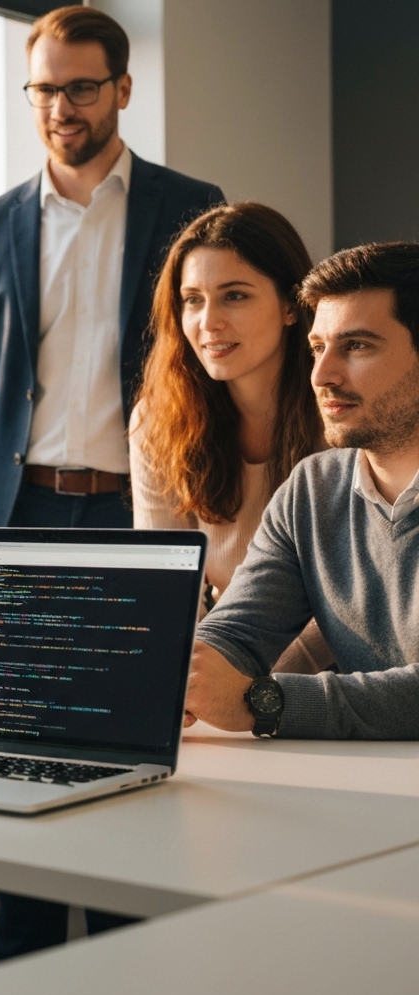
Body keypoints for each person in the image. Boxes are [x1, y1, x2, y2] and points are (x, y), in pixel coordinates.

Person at [0, 4, 223, 960]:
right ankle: (22, 983)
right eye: (44, 89)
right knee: (15, 765)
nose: (60, 107)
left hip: (144, 515)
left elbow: (217, 371)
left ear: (124, 89)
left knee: (130, 760)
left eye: (81, 87)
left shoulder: (191, 207)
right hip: (20, 513)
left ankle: (133, 976)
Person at [187, 241, 419, 740]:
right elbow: (236, 633)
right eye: (318, 348)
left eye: (357, 346)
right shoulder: (313, 488)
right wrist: (182, 680)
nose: (321, 375)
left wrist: (263, 704)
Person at [130, 202, 332, 671]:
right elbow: (165, 591)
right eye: (193, 299)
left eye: (235, 296)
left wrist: (239, 686)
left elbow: (347, 605)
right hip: (228, 661)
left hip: (337, 676)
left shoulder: (340, 417)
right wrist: (181, 674)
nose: (208, 322)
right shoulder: (158, 421)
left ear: (290, 305)